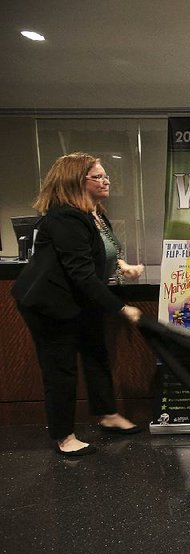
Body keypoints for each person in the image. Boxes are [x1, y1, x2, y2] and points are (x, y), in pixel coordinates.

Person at [12, 152, 144, 457]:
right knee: (60, 368)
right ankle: (64, 436)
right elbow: (81, 273)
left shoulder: (93, 212)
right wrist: (121, 308)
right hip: (50, 303)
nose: (106, 180)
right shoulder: (64, 218)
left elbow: (101, 249)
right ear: (76, 181)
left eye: (105, 175)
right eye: (97, 176)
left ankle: (109, 415)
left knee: (96, 353)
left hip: (80, 300)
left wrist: (121, 264)